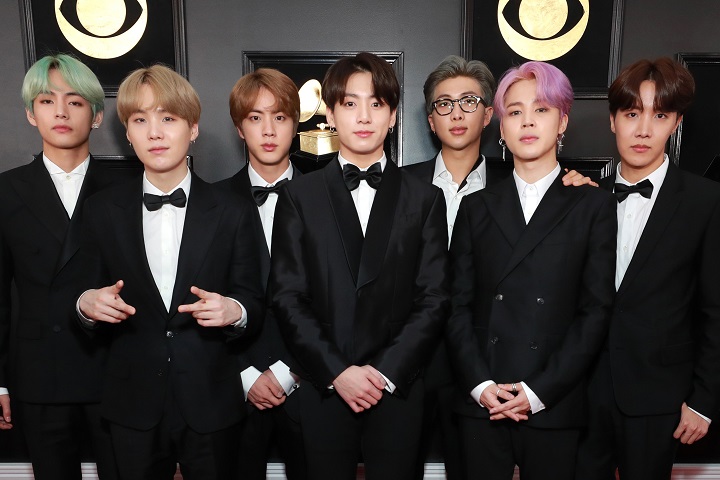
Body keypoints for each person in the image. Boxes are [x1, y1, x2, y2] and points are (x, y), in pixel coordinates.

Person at [404, 55, 595, 480]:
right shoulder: (401, 185)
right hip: (417, 367)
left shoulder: (558, 191)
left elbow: (591, 306)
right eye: (444, 104)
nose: (457, 114)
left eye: (469, 102)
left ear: (490, 117)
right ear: (430, 119)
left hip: (506, 369)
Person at [76, 64, 264, 480]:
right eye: (140, 120)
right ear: (128, 134)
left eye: (169, 118)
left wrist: (235, 310)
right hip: (131, 401)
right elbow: (80, 293)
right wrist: (87, 304)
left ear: (193, 128)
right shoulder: (101, 210)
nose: (155, 133)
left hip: (211, 400)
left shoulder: (233, 209)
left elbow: (254, 297)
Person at [270, 52, 450, 480]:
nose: (364, 116)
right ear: (331, 114)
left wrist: (384, 372)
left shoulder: (425, 198)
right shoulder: (298, 197)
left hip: (398, 387)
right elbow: (287, 296)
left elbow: (434, 297)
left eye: (377, 103)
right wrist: (338, 372)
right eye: (350, 103)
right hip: (325, 387)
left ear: (393, 116)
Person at [575, 58, 720, 480]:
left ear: (676, 123)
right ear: (612, 120)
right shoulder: (583, 198)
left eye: (659, 116)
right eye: (631, 114)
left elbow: (716, 310)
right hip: (582, 393)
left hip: (660, 397)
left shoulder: (705, 201)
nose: (643, 130)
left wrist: (704, 401)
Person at [0, 54, 118, 480]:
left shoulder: (127, 188)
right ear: (31, 114)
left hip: (115, 370)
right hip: (39, 373)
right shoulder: (6, 190)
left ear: (97, 115)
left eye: (75, 101)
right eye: (47, 101)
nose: (61, 112)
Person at [218, 68, 306, 480]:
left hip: (311, 383)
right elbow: (197, 296)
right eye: (255, 118)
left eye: (280, 117)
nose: (268, 130)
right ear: (240, 128)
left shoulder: (330, 197)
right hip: (233, 386)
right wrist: (246, 374)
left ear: (295, 124)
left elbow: (340, 299)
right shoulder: (210, 202)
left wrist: (289, 371)